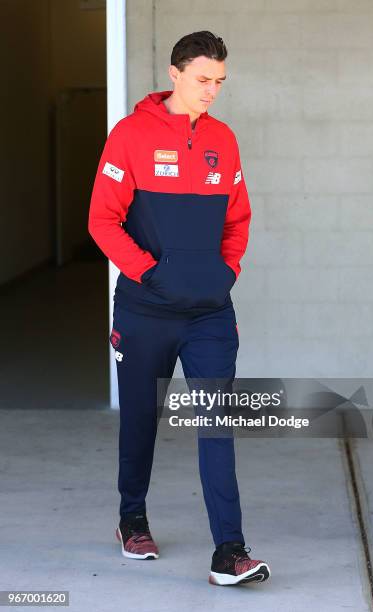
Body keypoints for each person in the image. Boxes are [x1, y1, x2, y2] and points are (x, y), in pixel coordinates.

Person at [88, 30, 270, 586]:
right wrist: (151, 273)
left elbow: (238, 219)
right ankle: (132, 518)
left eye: (219, 81)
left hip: (209, 313)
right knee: (141, 420)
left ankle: (229, 551)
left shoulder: (224, 140)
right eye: (202, 79)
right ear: (175, 74)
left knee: (216, 423)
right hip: (146, 310)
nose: (212, 90)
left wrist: (227, 272)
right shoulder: (131, 136)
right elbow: (102, 221)